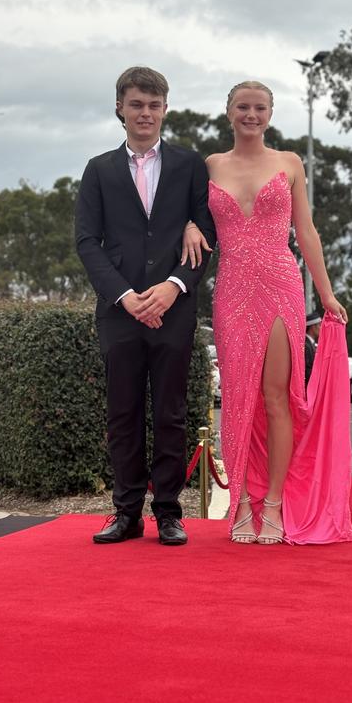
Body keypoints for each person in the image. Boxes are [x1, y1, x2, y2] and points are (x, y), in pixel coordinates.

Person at [204, 81, 352, 546]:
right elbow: (190, 217)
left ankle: (272, 502)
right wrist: (194, 227)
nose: (250, 115)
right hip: (231, 287)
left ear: (270, 114)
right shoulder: (211, 165)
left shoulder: (289, 162)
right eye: (242, 107)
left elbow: (306, 231)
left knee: (276, 397)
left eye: (259, 108)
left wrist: (327, 294)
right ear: (229, 112)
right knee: (236, 399)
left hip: (280, 285)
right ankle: (241, 505)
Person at [75, 66, 216, 546]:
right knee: (123, 413)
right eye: (137, 104)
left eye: (154, 105)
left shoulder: (190, 165)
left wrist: (175, 285)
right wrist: (125, 296)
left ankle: (169, 513)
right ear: (120, 107)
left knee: (171, 413)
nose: (145, 113)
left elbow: (208, 232)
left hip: (174, 309)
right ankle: (126, 512)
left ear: (165, 110)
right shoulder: (98, 170)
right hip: (120, 312)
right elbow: (87, 241)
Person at [304, 310, 322, 387]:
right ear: (313, 327)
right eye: (319, 325)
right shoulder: (306, 346)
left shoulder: (311, 344)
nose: (321, 328)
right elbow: (307, 371)